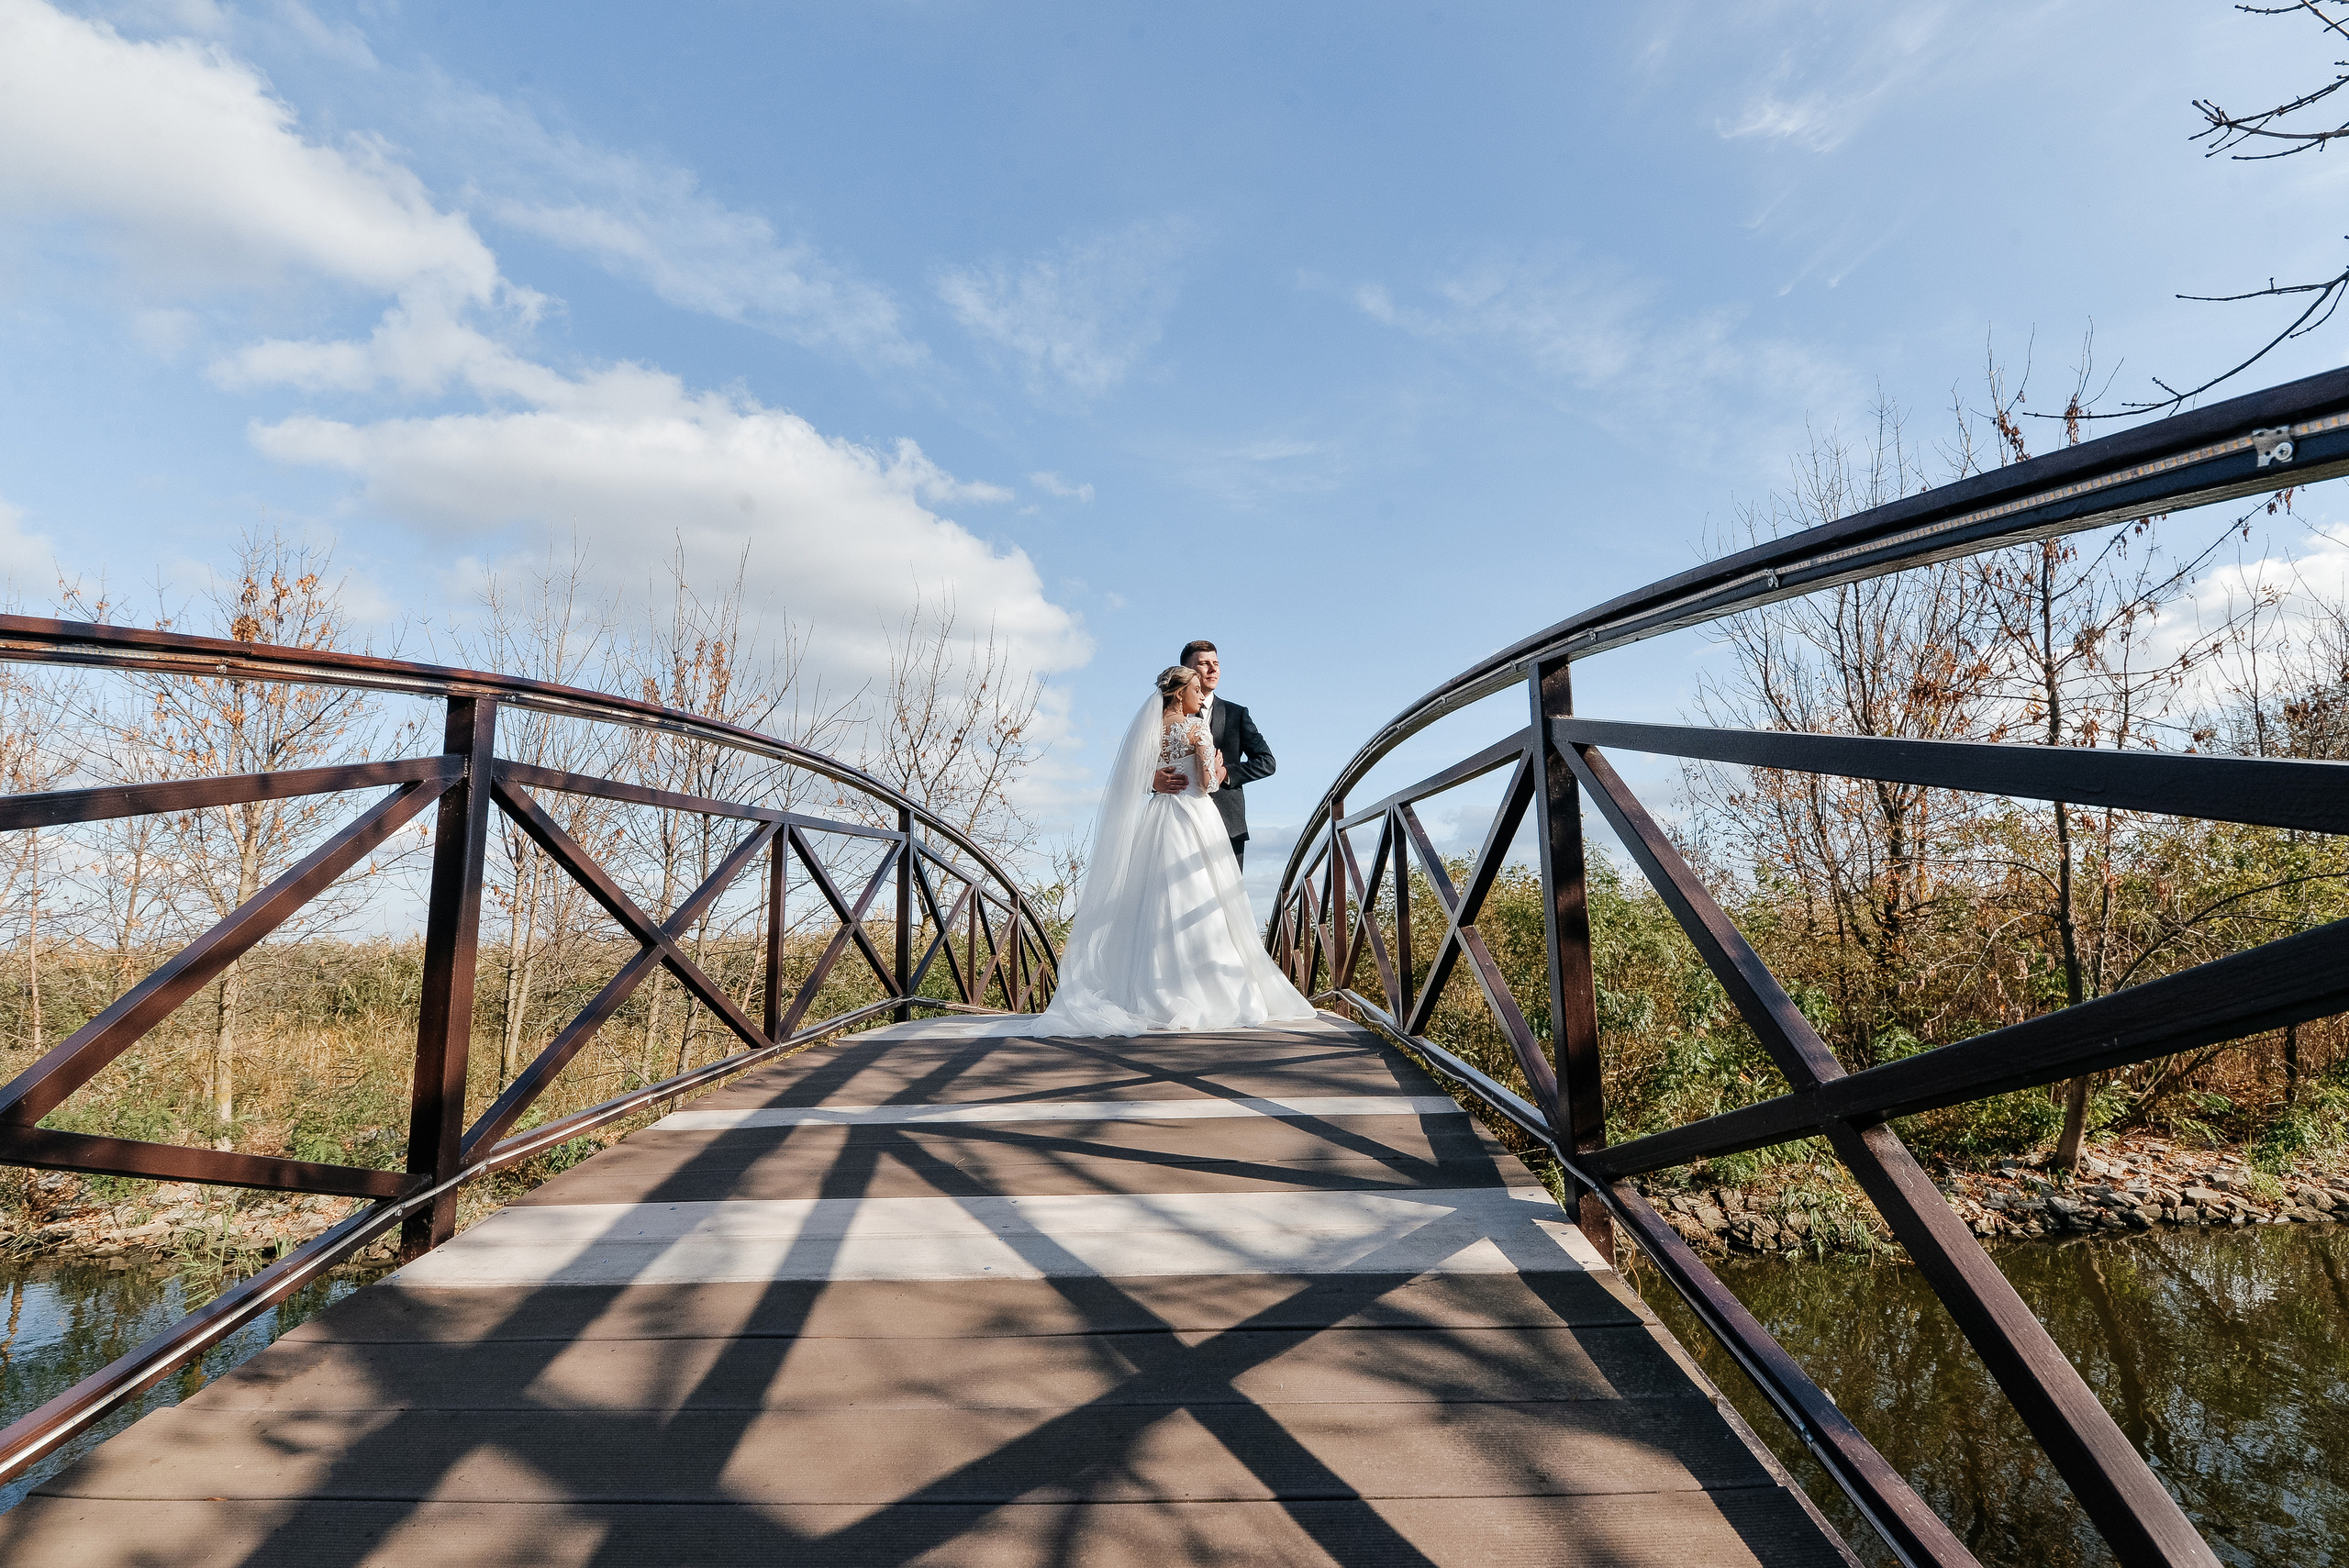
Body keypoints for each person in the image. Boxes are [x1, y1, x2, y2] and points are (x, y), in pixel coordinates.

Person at [920, 663, 1315, 1038]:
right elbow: (1209, 784)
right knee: (1202, 900)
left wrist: (1152, 779)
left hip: (1158, 819)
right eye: (1195, 689)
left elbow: (1129, 777)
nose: (1201, 695)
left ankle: (1144, 989)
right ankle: (1208, 986)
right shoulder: (1196, 728)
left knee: (1154, 902)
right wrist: (1215, 761)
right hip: (1196, 818)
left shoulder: (1150, 730)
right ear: (1179, 694)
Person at [1152, 639, 1273, 868]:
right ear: (1188, 671)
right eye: (1204, 664)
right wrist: (1152, 779)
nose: (1213, 669)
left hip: (1227, 826)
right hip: (1173, 826)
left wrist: (1226, 772)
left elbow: (1267, 761)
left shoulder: (1236, 714)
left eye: (1216, 663)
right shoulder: (1155, 720)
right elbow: (1133, 765)